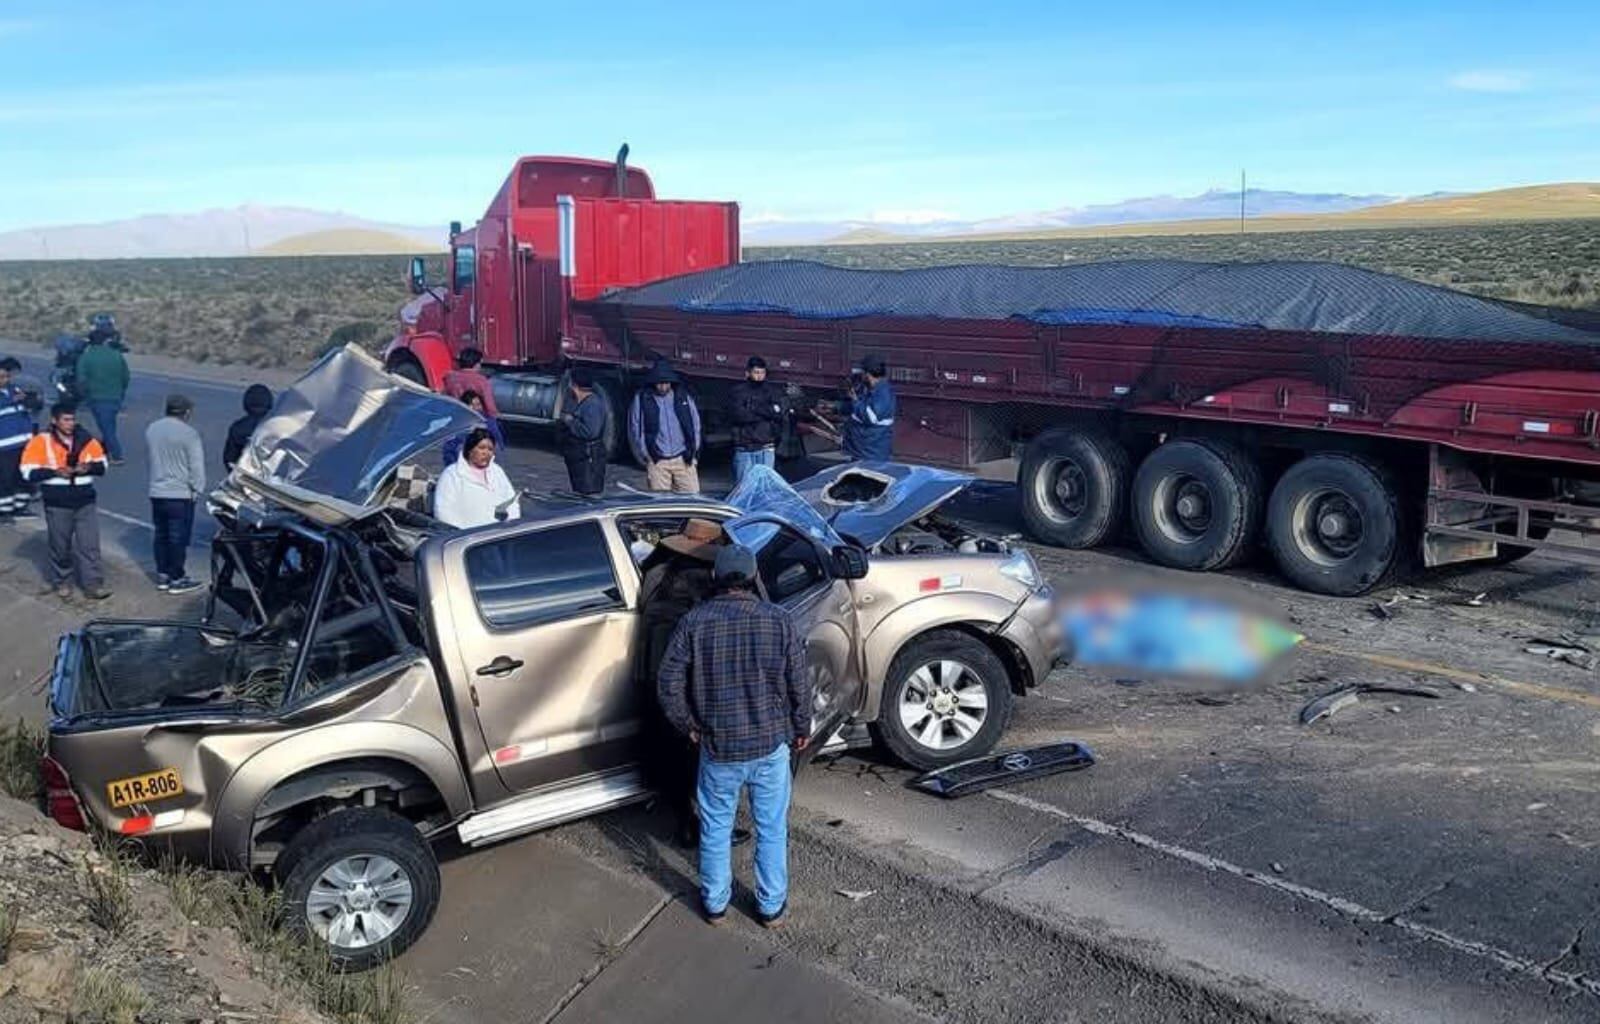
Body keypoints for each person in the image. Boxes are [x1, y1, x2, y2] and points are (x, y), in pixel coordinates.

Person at [657, 544, 810, 928]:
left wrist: (688, 724)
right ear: (754, 576)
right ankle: (770, 907)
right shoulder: (779, 620)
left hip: (718, 748)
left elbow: (667, 683)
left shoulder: (694, 622)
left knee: (715, 828)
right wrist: (801, 727)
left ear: (715, 578)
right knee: (772, 828)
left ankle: (714, 904)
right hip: (770, 745)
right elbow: (799, 684)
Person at [636, 519, 745, 849]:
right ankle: (706, 829)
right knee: (699, 761)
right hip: (686, 681)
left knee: (670, 753)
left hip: (649, 673)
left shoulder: (655, 574)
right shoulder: (706, 585)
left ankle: (684, 821)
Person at [20, 403, 110, 600]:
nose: (71, 424)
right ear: (55, 421)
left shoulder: (86, 439)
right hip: (57, 503)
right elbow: (27, 472)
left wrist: (88, 467)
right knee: (60, 547)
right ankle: (63, 582)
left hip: (85, 501)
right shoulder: (41, 441)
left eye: (72, 419)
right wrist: (54, 471)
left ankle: (93, 585)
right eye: (66, 420)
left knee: (90, 545)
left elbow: (103, 465)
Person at [145, 394, 206, 594]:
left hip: (157, 490)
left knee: (161, 534)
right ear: (186, 412)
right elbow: (196, 467)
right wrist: (198, 489)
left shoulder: (152, 429)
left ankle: (162, 574)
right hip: (180, 493)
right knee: (178, 538)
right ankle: (177, 577)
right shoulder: (189, 434)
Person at [628, 360, 702, 493]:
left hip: (683, 459)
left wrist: (693, 449)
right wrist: (647, 455)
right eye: (659, 383)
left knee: (693, 501)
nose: (663, 387)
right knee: (661, 506)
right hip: (658, 461)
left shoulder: (682, 396)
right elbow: (636, 427)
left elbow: (695, 422)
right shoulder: (643, 399)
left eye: (666, 383)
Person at [434, 427, 519, 528]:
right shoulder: (452, 474)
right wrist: (462, 533)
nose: (486, 453)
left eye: (490, 449)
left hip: (498, 534)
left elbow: (511, 501)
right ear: (470, 450)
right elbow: (443, 511)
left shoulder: (497, 472)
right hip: (468, 538)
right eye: (481, 448)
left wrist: (511, 525)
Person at [74, 331, 131, 464]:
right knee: (109, 425)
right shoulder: (116, 355)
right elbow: (126, 377)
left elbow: (81, 379)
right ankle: (108, 450)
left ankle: (117, 455)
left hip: (97, 396)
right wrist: (121, 391)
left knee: (106, 427)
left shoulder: (86, 357)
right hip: (115, 396)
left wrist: (84, 394)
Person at [728, 356, 787, 485]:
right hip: (744, 447)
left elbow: (778, 414)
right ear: (747, 373)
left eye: (762, 372)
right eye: (756, 372)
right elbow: (739, 416)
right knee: (744, 487)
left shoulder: (772, 391)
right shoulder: (738, 392)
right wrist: (765, 412)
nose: (759, 376)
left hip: (766, 446)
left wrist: (753, 408)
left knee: (765, 486)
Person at [559, 369, 610, 495]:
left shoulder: (592, 404)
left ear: (574, 385)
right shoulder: (580, 402)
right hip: (581, 458)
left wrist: (570, 421)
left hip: (588, 459)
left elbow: (590, 432)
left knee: (587, 492)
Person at [840, 354, 896, 462]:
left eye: (862, 372)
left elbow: (871, 417)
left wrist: (855, 401)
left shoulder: (883, 393)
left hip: (872, 453)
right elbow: (856, 410)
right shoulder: (870, 389)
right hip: (862, 451)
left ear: (868, 373)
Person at [0, 358, 35, 521]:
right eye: (1, 377)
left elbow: (27, 408)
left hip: (24, 442)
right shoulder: (8, 396)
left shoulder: (14, 390)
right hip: (5, 446)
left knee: (24, 476)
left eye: (6, 377)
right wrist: (10, 401)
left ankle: (20, 507)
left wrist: (32, 401)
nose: (5, 380)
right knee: (6, 479)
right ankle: (4, 511)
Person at [441, 391, 504, 467]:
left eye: (477, 404)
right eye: (470, 405)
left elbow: (499, 443)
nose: (475, 408)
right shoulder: (456, 423)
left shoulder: (489, 422)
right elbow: (449, 448)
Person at [223, 383, 274, 472]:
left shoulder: (238, 427)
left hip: (245, 475)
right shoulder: (277, 425)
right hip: (271, 477)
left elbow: (229, 458)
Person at [443, 348, 501, 419]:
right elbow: (489, 405)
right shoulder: (480, 380)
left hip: (455, 416)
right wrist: (494, 417)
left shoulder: (450, 377)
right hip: (473, 417)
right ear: (476, 364)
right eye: (480, 363)